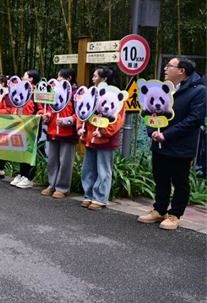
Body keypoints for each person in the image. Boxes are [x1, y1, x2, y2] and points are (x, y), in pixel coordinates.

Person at [138, 57, 206, 230]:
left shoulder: (199, 91)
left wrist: (167, 135)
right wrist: (152, 132)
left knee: (180, 181)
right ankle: (159, 210)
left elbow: (194, 119)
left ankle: (175, 214)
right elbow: (149, 110)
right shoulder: (163, 88)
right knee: (160, 178)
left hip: (181, 145)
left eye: (169, 66)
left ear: (182, 71)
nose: (165, 69)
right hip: (159, 143)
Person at [77, 66, 123, 210]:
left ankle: (100, 198)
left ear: (104, 79)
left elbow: (117, 121)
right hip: (90, 137)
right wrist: (80, 128)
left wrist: (103, 132)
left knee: (103, 170)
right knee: (88, 169)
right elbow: (82, 111)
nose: (92, 79)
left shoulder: (116, 97)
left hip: (105, 140)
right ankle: (88, 195)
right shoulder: (92, 94)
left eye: (95, 76)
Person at [0, 69, 43, 188]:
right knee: (21, 152)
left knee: (30, 153)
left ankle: (29, 178)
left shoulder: (36, 93)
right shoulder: (20, 91)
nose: (22, 78)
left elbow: (41, 109)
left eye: (25, 76)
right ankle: (22, 174)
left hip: (31, 129)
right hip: (19, 127)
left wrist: (38, 115)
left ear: (31, 79)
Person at [40, 68, 79, 198]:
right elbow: (51, 108)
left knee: (65, 162)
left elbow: (80, 114)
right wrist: (47, 116)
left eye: (60, 77)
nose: (57, 79)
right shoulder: (54, 90)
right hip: (53, 131)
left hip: (68, 133)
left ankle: (62, 188)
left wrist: (67, 121)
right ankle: (51, 185)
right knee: (52, 160)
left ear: (69, 78)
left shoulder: (76, 94)